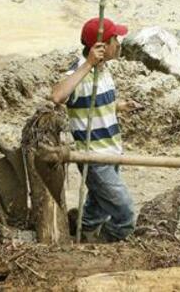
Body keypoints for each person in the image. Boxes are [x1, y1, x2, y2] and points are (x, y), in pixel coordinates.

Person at [51, 17, 138, 242]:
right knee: (125, 216)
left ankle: (80, 235)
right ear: (100, 46)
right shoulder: (80, 73)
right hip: (95, 157)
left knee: (98, 208)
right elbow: (58, 96)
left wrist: (119, 106)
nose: (118, 43)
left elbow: (93, 106)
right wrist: (88, 64)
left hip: (111, 151)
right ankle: (100, 247)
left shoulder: (103, 71)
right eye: (114, 39)